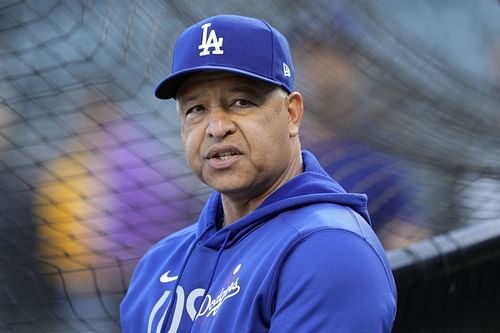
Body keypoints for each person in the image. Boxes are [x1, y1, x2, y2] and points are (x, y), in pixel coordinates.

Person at [120, 14, 397, 332]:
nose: (216, 128)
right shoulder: (158, 264)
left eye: (240, 102)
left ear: (291, 114)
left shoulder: (329, 249)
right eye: (196, 109)